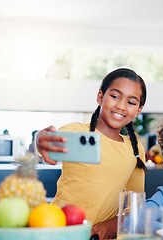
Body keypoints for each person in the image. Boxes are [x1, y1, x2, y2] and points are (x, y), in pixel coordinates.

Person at [36, 68, 147, 239]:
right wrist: (40, 140)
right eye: (115, 96)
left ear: (138, 111)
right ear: (100, 97)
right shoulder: (74, 131)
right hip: (57, 230)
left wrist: (114, 224)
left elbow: (136, 207)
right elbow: (50, 154)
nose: (121, 106)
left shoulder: (135, 148)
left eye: (131, 102)